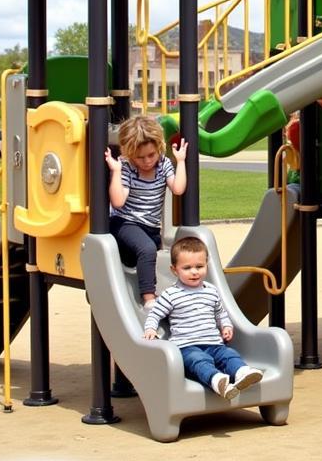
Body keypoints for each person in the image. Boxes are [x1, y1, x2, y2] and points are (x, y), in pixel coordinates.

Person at [143, 236, 263, 400]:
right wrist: (150, 328)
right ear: (174, 270)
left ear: (207, 265)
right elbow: (155, 313)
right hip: (186, 347)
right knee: (199, 360)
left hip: (214, 343)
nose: (194, 271)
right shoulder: (171, 294)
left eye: (199, 266)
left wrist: (226, 326)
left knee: (229, 354)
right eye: (187, 268)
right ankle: (216, 380)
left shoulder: (211, 291)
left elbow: (220, 312)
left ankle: (242, 372)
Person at [104, 115, 187, 308]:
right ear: (129, 153)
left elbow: (178, 188)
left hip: (149, 228)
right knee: (147, 249)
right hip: (124, 223)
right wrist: (116, 171)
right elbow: (117, 202)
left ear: (158, 148)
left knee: (155, 252)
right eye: (140, 157)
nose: (147, 161)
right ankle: (149, 298)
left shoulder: (164, 164)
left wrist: (180, 161)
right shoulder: (127, 168)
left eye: (151, 155)